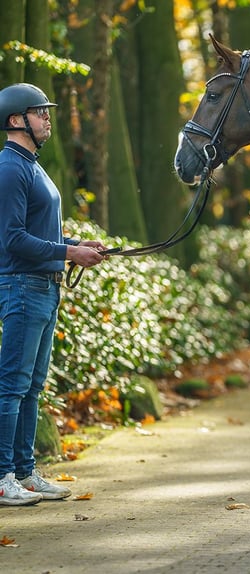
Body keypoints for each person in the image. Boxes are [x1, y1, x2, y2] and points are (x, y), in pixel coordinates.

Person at [0, 83, 107, 505]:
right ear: (16, 120)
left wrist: (77, 244)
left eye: (46, 112)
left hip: (44, 287)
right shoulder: (10, 167)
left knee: (32, 386)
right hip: (23, 286)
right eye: (40, 112)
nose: (47, 118)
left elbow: (36, 231)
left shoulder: (31, 165)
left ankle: (25, 473)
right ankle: (3, 475)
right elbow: (11, 239)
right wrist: (69, 252)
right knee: (12, 385)